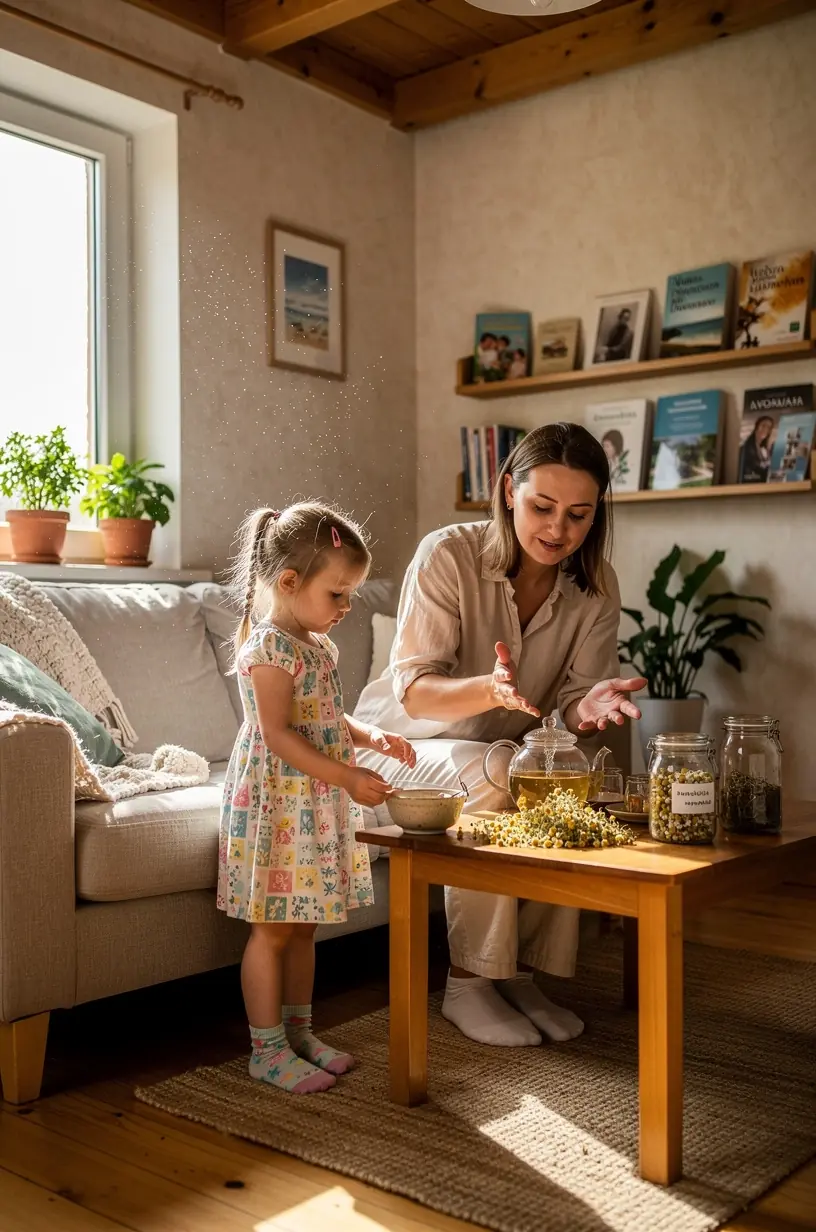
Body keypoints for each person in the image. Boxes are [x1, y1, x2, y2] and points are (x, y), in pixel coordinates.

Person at [355, 423, 646, 1048]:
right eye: (542, 507)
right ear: (508, 489)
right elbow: (414, 691)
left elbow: (568, 705)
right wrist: (489, 688)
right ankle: (469, 982)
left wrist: (586, 708)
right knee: (496, 770)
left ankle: (519, 973)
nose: (557, 530)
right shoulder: (447, 555)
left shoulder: (595, 587)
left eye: (578, 514)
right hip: (393, 749)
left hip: (499, 751)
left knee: (570, 775)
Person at [217, 503, 416, 1093]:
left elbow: (326, 715)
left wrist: (368, 734)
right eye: (338, 594)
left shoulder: (317, 648)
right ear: (289, 583)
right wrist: (348, 777)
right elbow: (276, 733)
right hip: (277, 802)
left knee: (304, 926)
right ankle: (265, 1048)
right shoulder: (269, 648)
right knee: (272, 931)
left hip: (311, 800)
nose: (347, 606)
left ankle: (299, 1033)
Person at [739, 415, 775, 483]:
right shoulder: (746, 448)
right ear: (757, 426)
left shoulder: (764, 449)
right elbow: (757, 467)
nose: (765, 429)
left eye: (769, 427)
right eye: (763, 425)